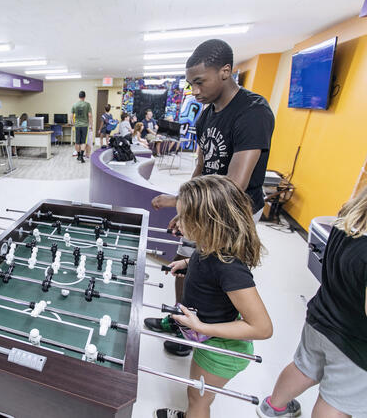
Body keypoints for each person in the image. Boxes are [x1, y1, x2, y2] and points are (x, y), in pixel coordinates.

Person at [144, 39, 275, 356]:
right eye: (191, 84)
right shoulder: (206, 116)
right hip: (203, 208)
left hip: (234, 212)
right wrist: (185, 206)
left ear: (226, 71)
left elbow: (234, 185)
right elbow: (202, 166)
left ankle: (204, 332)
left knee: (216, 276)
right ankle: (181, 320)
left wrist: (189, 211)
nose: (195, 91)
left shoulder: (252, 112)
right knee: (184, 266)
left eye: (200, 82)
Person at [156, 175, 273, 418]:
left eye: (183, 217)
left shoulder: (229, 267)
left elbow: (262, 328)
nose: (177, 222)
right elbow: (205, 263)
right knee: (196, 393)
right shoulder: (209, 242)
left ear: (208, 221)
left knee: (197, 399)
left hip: (221, 348)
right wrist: (189, 263)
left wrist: (201, 325)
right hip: (208, 337)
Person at [257, 188, 367, 418]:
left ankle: (274, 407)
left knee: (303, 368)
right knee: (337, 400)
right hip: (355, 344)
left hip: (321, 317)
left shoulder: (349, 219)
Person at [71, 90, 93, 163]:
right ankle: (82, 156)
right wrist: (91, 125)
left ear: (79, 96)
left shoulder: (74, 105)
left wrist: (73, 123)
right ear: (84, 96)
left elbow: (71, 116)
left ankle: (78, 155)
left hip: (77, 125)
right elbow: (89, 115)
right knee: (83, 141)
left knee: (77, 142)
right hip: (84, 125)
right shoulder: (87, 104)